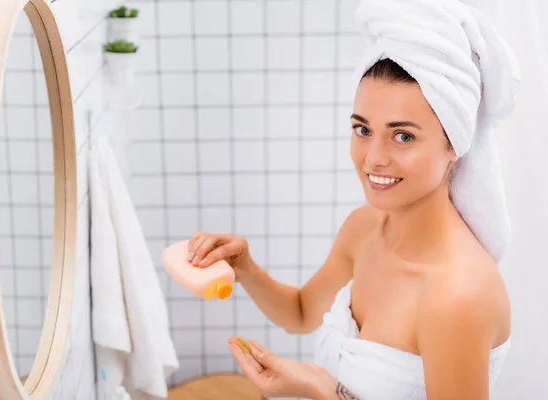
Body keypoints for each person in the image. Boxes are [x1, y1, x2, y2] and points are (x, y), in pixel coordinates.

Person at [184, 0, 520, 398]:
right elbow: (302, 313)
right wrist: (245, 269)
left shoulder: (455, 295)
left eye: (403, 136)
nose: (374, 158)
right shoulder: (364, 228)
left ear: (454, 145)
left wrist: (325, 390)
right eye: (363, 130)